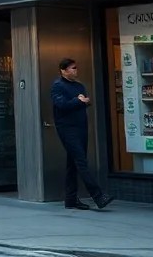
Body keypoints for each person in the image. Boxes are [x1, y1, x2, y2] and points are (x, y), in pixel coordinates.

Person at [51, 58, 113, 211]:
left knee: (73, 164)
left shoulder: (79, 85)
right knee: (81, 161)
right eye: (72, 68)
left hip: (81, 127)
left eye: (76, 68)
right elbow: (61, 105)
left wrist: (84, 101)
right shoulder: (58, 86)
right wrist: (78, 101)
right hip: (67, 128)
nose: (75, 71)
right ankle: (98, 196)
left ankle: (70, 200)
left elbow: (83, 102)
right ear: (63, 70)